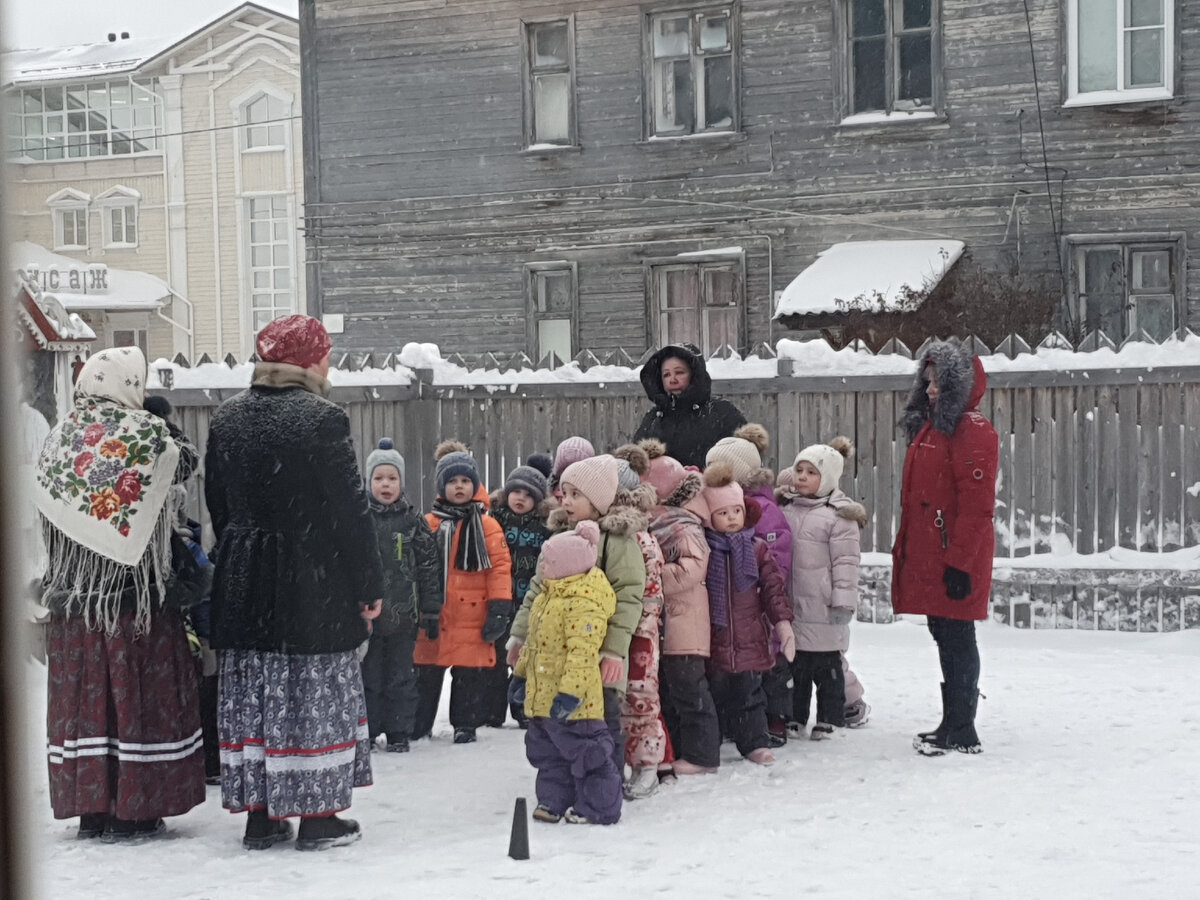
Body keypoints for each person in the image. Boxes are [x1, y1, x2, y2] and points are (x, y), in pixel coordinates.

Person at [204, 315, 384, 851]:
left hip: (243, 575)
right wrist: (368, 582)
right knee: (313, 693)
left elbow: (218, 501)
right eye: (325, 354)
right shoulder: (322, 419)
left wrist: (240, 550)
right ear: (308, 362)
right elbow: (350, 512)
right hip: (311, 578)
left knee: (255, 693)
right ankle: (318, 817)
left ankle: (261, 817)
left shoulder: (227, 417)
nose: (330, 363)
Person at [33, 347, 205, 842]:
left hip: (76, 600)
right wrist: (161, 420)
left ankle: (91, 804)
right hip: (134, 599)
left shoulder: (62, 433)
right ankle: (137, 803)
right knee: (136, 699)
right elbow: (184, 463)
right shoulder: (146, 434)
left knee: (87, 703)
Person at [507, 454, 646, 779]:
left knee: (601, 717)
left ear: (597, 501)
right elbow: (537, 591)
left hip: (598, 653)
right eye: (564, 492)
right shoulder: (559, 540)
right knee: (564, 719)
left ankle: (607, 779)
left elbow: (628, 596)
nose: (565, 500)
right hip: (558, 656)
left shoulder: (617, 540)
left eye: (575, 494)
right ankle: (568, 777)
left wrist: (614, 650)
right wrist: (520, 635)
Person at [893, 341, 997, 756]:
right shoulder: (934, 427)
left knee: (956, 635)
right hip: (935, 552)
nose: (931, 389)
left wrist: (959, 563)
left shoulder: (971, 429)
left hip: (954, 555)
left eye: (939, 382)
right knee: (945, 632)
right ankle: (952, 720)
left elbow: (977, 508)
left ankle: (962, 726)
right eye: (928, 380)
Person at [511, 521, 622, 825]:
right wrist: (520, 676)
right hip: (543, 698)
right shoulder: (547, 597)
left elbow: (582, 655)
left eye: (549, 562)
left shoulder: (583, 604)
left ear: (567, 567)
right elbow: (533, 645)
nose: (542, 566)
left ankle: (599, 807)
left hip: (576, 704)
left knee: (589, 755)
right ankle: (552, 801)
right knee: (548, 754)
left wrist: (570, 693)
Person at [413, 448, 512, 744]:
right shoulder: (429, 523)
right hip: (437, 612)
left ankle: (465, 724)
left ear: (475, 486)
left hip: (474, 612)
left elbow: (499, 569)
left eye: (465, 481)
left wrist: (499, 607)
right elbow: (419, 567)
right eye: (452, 480)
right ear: (441, 486)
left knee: (470, 673)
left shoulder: (488, 526)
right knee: (426, 672)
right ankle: (419, 725)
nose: (459, 486)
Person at [705, 424, 796, 744]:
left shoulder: (763, 510)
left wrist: (762, 590)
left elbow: (777, 557)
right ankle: (737, 721)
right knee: (737, 669)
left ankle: (776, 719)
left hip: (756, 602)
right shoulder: (718, 507)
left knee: (769, 665)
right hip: (733, 606)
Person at [781, 438, 866, 740]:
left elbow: (846, 563)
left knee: (828, 669)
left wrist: (843, 602)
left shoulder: (839, 516)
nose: (802, 477)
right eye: (799, 470)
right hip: (794, 605)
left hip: (825, 606)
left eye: (811, 472)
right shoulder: (788, 508)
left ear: (827, 478)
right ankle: (794, 716)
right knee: (797, 666)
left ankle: (830, 717)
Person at [641, 439, 717, 774]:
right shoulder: (652, 522)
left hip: (685, 621)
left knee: (690, 690)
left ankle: (702, 755)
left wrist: (653, 575)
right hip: (664, 621)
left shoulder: (683, 524)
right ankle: (676, 750)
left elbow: (694, 567)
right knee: (669, 691)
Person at [362, 438, 442, 753]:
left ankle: (398, 730)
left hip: (404, 616)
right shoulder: (359, 520)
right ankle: (366, 729)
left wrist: (431, 609)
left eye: (392, 478)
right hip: (367, 617)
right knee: (368, 678)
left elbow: (428, 566)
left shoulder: (413, 520)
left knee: (401, 677)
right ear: (368, 482)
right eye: (379, 478)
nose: (385, 484)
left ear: (401, 481)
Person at [610, 446, 668, 799]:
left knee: (641, 698)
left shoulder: (640, 537)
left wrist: (641, 626)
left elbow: (651, 589)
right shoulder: (600, 533)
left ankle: (647, 765)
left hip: (639, 633)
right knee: (612, 702)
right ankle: (614, 762)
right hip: (610, 631)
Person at [487, 464, 554, 727]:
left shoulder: (543, 526)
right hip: (500, 602)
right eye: (515, 491)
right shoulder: (495, 520)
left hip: (528, 603)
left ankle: (522, 708)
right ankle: (491, 711)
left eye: (528, 495)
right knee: (496, 658)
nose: (520, 498)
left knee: (523, 659)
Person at [632, 343, 747, 469]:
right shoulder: (653, 419)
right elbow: (635, 465)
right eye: (666, 374)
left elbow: (746, 460)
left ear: (694, 375)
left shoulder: (721, 413)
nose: (672, 379)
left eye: (679, 372)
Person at [549, 436, 595, 500]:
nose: (570, 472)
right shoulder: (554, 494)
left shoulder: (592, 495)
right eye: (565, 468)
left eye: (576, 469)